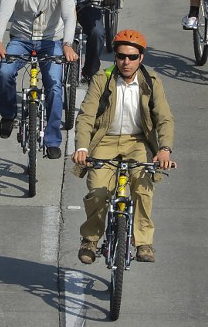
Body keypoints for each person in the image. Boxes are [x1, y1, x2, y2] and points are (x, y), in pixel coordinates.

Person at [71, 29, 175, 264]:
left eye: (131, 57)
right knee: (98, 190)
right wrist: (83, 148)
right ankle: (90, 239)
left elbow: (165, 118)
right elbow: (86, 115)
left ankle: (144, 242)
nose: (126, 62)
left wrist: (164, 149)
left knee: (142, 187)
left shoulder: (152, 83)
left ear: (141, 58)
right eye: (120, 56)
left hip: (137, 141)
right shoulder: (102, 79)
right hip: (105, 140)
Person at [0, 0, 78, 159]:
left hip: (52, 41)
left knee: (55, 86)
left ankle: (52, 140)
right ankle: (8, 114)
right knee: (5, 72)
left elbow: (69, 16)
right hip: (21, 39)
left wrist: (67, 44)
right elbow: (3, 14)